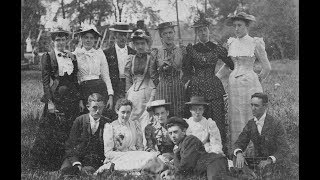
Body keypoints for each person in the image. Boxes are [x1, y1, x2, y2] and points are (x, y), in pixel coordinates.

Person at [217, 12, 272, 155]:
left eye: (239, 25)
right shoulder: (231, 43)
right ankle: (238, 153)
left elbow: (267, 67)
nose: (236, 29)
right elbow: (228, 66)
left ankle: (254, 154)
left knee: (250, 115)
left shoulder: (255, 42)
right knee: (236, 116)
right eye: (234, 26)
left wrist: (256, 80)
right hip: (234, 86)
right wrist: (215, 78)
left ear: (246, 26)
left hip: (250, 86)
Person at [30, 26, 81, 171]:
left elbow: (75, 79)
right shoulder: (48, 56)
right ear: (53, 41)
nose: (60, 43)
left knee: (68, 129)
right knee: (52, 129)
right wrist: (50, 102)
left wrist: (79, 99)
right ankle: (48, 164)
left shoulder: (72, 56)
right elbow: (45, 82)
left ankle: (67, 161)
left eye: (63, 39)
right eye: (57, 40)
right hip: (56, 97)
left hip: (71, 98)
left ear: (67, 41)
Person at [182, 15, 234, 155]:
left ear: (209, 30)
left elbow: (232, 64)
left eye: (205, 30)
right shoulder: (191, 49)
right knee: (198, 120)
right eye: (199, 31)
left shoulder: (217, 48)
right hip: (196, 89)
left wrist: (220, 74)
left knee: (217, 120)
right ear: (196, 33)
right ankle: (197, 152)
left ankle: (220, 152)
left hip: (214, 88)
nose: (203, 33)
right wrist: (189, 83)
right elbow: (186, 70)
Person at [232, 93, 291, 179]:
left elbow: (284, 148)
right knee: (235, 157)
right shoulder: (251, 123)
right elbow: (239, 142)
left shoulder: (276, 123)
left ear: (265, 106)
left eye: (256, 105)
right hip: (257, 161)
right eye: (251, 105)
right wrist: (239, 153)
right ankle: (251, 176)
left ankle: (253, 176)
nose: (253, 109)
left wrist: (270, 160)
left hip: (273, 162)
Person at [96, 98, 162, 172]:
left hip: (135, 157)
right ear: (117, 111)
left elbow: (140, 147)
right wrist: (128, 155)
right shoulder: (110, 127)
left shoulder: (135, 125)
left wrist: (135, 155)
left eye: (128, 112)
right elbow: (108, 153)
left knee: (152, 159)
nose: (125, 115)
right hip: (118, 159)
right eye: (123, 112)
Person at [59, 93, 112, 177]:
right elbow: (70, 145)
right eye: (94, 108)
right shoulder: (80, 120)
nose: (97, 111)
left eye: (100, 108)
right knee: (65, 171)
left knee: (87, 172)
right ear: (88, 107)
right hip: (76, 156)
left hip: (94, 159)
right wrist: (76, 162)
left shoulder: (107, 123)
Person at [161, 117, 228, 180]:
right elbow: (180, 169)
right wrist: (170, 172)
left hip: (213, 164)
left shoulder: (190, 140)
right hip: (202, 173)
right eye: (170, 133)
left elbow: (186, 165)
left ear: (183, 131)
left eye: (175, 132)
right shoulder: (178, 149)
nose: (173, 136)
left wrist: (173, 176)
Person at [73, 24, 114, 117]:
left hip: (100, 88)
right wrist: (80, 99)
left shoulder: (99, 54)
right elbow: (75, 79)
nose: (88, 40)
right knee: (85, 118)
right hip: (84, 90)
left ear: (95, 39)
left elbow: (106, 76)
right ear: (81, 38)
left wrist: (110, 95)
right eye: (86, 37)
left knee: (100, 116)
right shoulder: (76, 54)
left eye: (91, 38)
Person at [150, 22, 187, 118]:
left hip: (178, 88)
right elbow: (152, 73)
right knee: (163, 116)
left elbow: (187, 70)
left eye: (170, 32)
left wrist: (181, 82)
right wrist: (160, 84)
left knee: (178, 116)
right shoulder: (156, 52)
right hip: (162, 89)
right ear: (161, 36)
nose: (168, 36)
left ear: (174, 33)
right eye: (165, 34)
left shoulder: (182, 50)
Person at [124, 29, 156, 126]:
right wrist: (127, 95)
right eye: (137, 44)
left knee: (146, 123)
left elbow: (154, 79)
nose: (140, 46)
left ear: (147, 44)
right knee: (132, 121)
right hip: (133, 95)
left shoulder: (151, 59)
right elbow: (128, 79)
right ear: (134, 45)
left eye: (142, 43)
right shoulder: (131, 58)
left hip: (147, 93)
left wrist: (152, 98)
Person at [103, 22, 136, 109]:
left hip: (129, 84)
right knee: (116, 109)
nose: (123, 38)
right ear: (114, 35)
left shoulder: (133, 52)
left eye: (125, 35)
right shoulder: (107, 53)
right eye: (120, 35)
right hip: (115, 85)